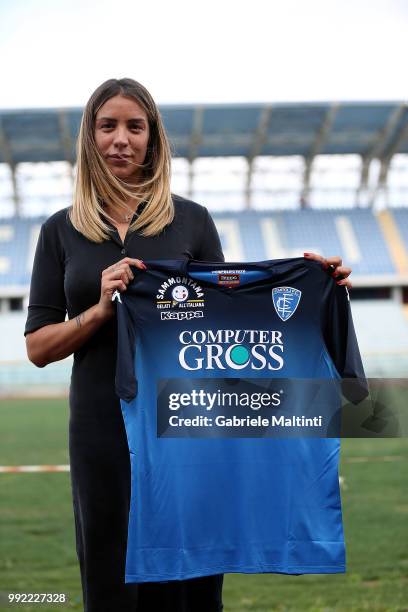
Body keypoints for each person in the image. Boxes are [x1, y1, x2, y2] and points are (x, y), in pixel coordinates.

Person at [24, 78, 352, 612]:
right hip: (100, 425)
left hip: (182, 418)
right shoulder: (61, 231)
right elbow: (38, 345)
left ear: (154, 138)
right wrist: (99, 310)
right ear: (90, 137)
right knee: (110, 572)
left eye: (135, 126)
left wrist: (308, 280)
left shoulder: (191, 221)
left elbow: (230, 316)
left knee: (189, 575)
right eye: (108, 126)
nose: (121, 140)